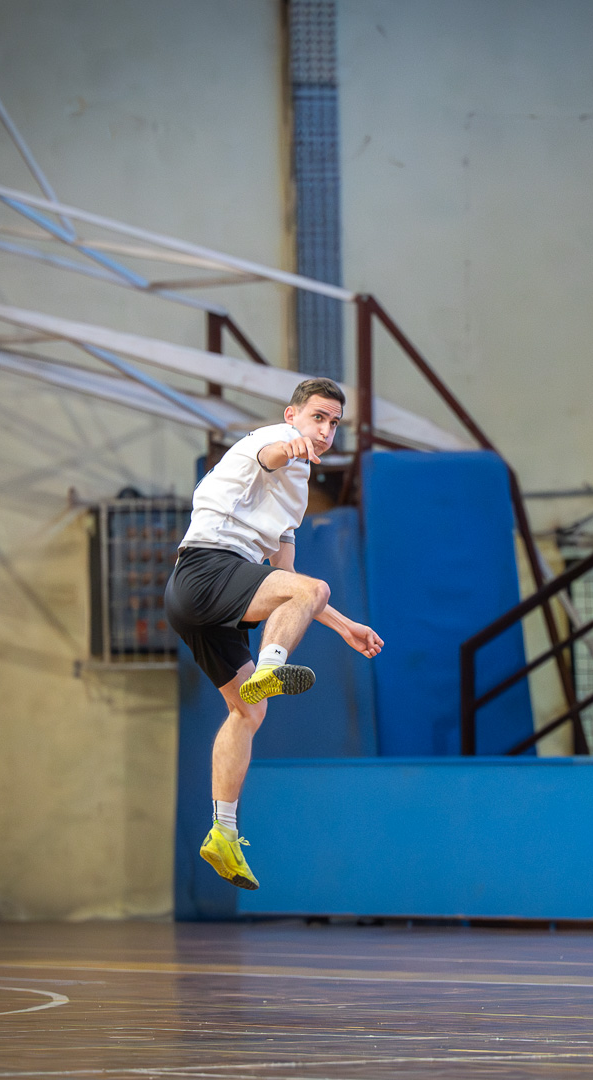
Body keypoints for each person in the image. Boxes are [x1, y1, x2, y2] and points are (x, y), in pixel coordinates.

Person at [164, 377, 383, 890]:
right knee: (311, 591)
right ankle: (270, 668)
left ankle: (222, 831)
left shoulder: (294, 497)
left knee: (248, 711)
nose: (325, 430)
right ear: (292, 415)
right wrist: (292, 446)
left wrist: (345, 625)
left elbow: (287, 582)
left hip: (200, 599)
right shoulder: (270, 440)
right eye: (317, 417)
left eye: (334, 423)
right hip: (206, 569)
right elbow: (270, 457)